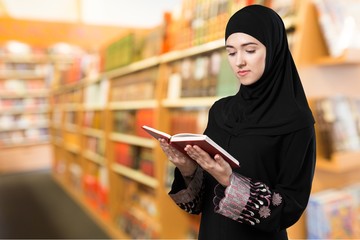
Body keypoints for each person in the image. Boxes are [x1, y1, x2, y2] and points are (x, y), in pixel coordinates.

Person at [159, 4, 316, 240]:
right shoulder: (221, 111)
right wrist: (188, 168)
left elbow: (290, 207)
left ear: (273, 49)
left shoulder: (296, 121)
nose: (239, 61)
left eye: (250, 50)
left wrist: (231, 181)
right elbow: (198, 203)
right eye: (231, 52)